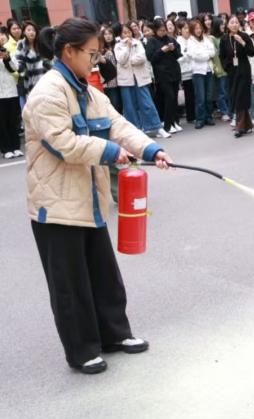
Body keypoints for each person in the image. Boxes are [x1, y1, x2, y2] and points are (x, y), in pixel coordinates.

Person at [26, 17, 173, 375]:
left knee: (104, 274)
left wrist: (151, 149)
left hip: (88, 199)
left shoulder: (89, 92)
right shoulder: (48, 93)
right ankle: (82, 350)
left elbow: (118, 125)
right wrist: (109, 151)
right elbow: (63, 144)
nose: (96, 61)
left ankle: (115, 335)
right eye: (91, 54)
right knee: (70, 284)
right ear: (69, 51)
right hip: (56, 206)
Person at [115, 23, 168, 138]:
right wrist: (127, 48)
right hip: (126, 80)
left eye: (129, 32)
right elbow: (121, 60)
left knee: (147, 103)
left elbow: (142, 58)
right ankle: (136, 130)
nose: (127, 35)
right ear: (120, 34)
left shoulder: (137, 43)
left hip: (140, 77)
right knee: (130, 106)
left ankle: (156, 127)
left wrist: (130, 61)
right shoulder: (118, 46)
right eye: (124, 33)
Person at [220, 16, 254, 138]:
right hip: (232, 72)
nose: (234, 24)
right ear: (228, 25)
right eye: (232, 22)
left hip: (244, 70)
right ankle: (247, 124)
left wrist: (242, 42)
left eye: (236, 22)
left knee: (241, 97)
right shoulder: (224, 39)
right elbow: (222, 56)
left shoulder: (244, 36)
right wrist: (227, 67)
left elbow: (252, 52)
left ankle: (239, 127)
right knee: (236, 96)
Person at [145, 19, 182, 134]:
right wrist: (162, 50)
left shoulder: (171, 39)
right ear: (155, 30)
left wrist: (173, 49)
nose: (163, 32)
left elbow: (178, 55)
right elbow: (151, 58)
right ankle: (167, 125)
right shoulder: (152, 41)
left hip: (174, 71)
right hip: (162, 74)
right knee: (169, 97)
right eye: (161, 30)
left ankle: (174, 122)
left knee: (174, 98)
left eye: (164, 30)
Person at [187, 18, 216, 129]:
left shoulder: (206, 38)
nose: (198, 30)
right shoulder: (190, 41)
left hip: (209, 70)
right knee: (200, 97)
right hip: (198, 71)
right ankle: (200, 119)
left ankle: (208, 116)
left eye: (199, 28)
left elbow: (213, 52)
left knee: (209, 96)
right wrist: (206, 55)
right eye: (196, 29)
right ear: (192, 30)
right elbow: (195, 55)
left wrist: (205, 54)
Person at [16, 21, 51, 109]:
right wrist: (24, 73)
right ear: (24, 32)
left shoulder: (40, 43)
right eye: (29, 30)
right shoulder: (21, 44)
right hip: (30, 81)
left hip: (44, 79)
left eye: (34, 30)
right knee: (35, 107)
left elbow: (48, 60)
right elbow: (19, 62)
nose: (32, 32)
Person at [0, 28, 21, 159]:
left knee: (13, 121)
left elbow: (15, 68)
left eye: (3, 35)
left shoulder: (9, 52)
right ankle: (6, 149)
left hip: (12, 91)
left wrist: (7, 58)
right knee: (2, 123)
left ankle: (16, 147)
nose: (1, 37)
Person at [211, 17, 232, 121]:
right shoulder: (212, 39)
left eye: (224, 24)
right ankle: (224, 111)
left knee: (228, 91)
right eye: (221, 24)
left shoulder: (225, 36)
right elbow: (214, 55)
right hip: (219, 68)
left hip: (227, 67)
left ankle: (229, 111)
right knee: (221, 92)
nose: (223, 26)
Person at [175, 19, 195, 123]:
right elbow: (179, 58)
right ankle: (191, 116)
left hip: (195, 69)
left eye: (188, 28)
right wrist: (188, 55)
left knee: (195, 94)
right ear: (180, 30)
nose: (187, 30)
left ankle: (197, 114)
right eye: (185, 28)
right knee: (189, 94)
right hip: (185, 71)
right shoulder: (178, 41)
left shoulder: (192, 39)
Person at [101, 26, 122, 113]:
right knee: (111, 104)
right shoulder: (101, 49)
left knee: (119, 104)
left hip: (120, 79)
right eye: (105, 34)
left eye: (110, 33)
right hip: (107, 81)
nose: (108, 36)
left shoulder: (118, 46)